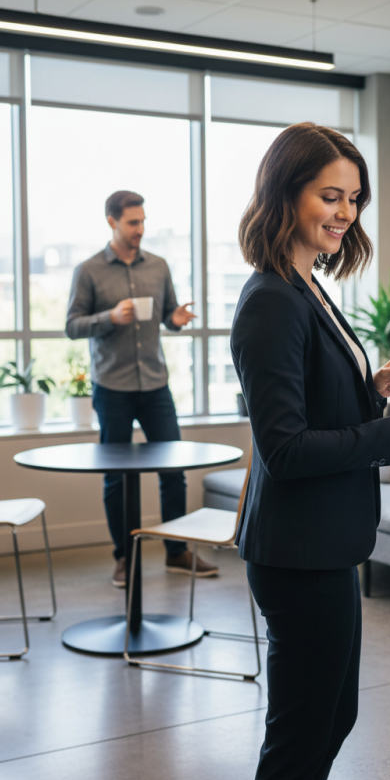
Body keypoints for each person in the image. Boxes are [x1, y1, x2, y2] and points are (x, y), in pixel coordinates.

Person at [231, 123, 390, 780]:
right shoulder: (272, 301)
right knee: (301, 738)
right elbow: (284, 449)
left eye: (354, 199)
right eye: (330, 197)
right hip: (299, 557)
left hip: (322, 548)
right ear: (285, 192)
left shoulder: (306, 287)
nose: (346, 214)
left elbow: (309, 401)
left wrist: (370, 389)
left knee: (332, 719)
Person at [66, 190, 219, 587]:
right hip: (111, 387)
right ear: (112, 222)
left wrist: (176, 318)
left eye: (143, 221)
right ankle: (124, 557)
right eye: (133, 222)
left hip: (155, 384)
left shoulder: (159, 266)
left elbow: (168, 314)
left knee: (174, 471)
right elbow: (72, 326)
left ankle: (177, 552)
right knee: (115, 477)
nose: (140, 229)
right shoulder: (88, 271)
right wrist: (110, 317)